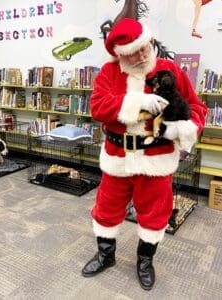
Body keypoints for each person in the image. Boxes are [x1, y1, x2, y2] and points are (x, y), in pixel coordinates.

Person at [81, 18, 207, 290]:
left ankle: (145, 261)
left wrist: (182, 129)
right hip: (118, 158)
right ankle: (106, 255)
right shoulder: (109, 72)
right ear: (119, 53)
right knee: (106, 209)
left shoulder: (169, 69)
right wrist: (137, 102)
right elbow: (98, 108)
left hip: (156, 159)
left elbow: (197, 108)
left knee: (154, 214)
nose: (142, 54)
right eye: (132, 51)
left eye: (144, 46)